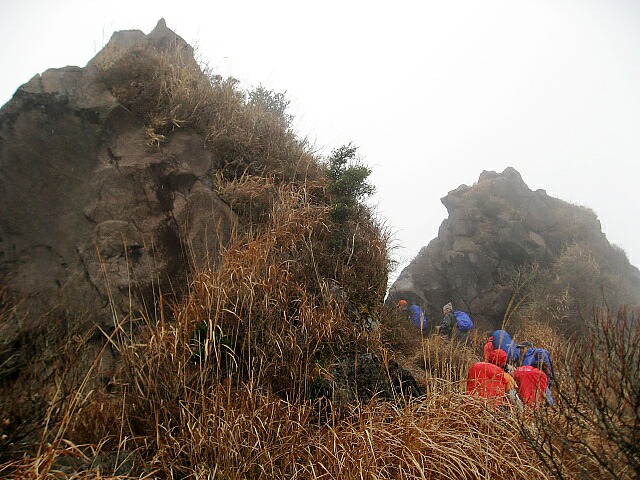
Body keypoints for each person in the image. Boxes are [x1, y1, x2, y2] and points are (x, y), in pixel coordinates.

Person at [517, 341, 555, 406]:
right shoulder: (523, 357)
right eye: (520, 348)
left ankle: (550, 406)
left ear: (528, 348)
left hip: (537, 379)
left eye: (523, 348)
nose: (521, 350)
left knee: (545, 392)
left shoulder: (529, 357)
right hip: (533, 380)